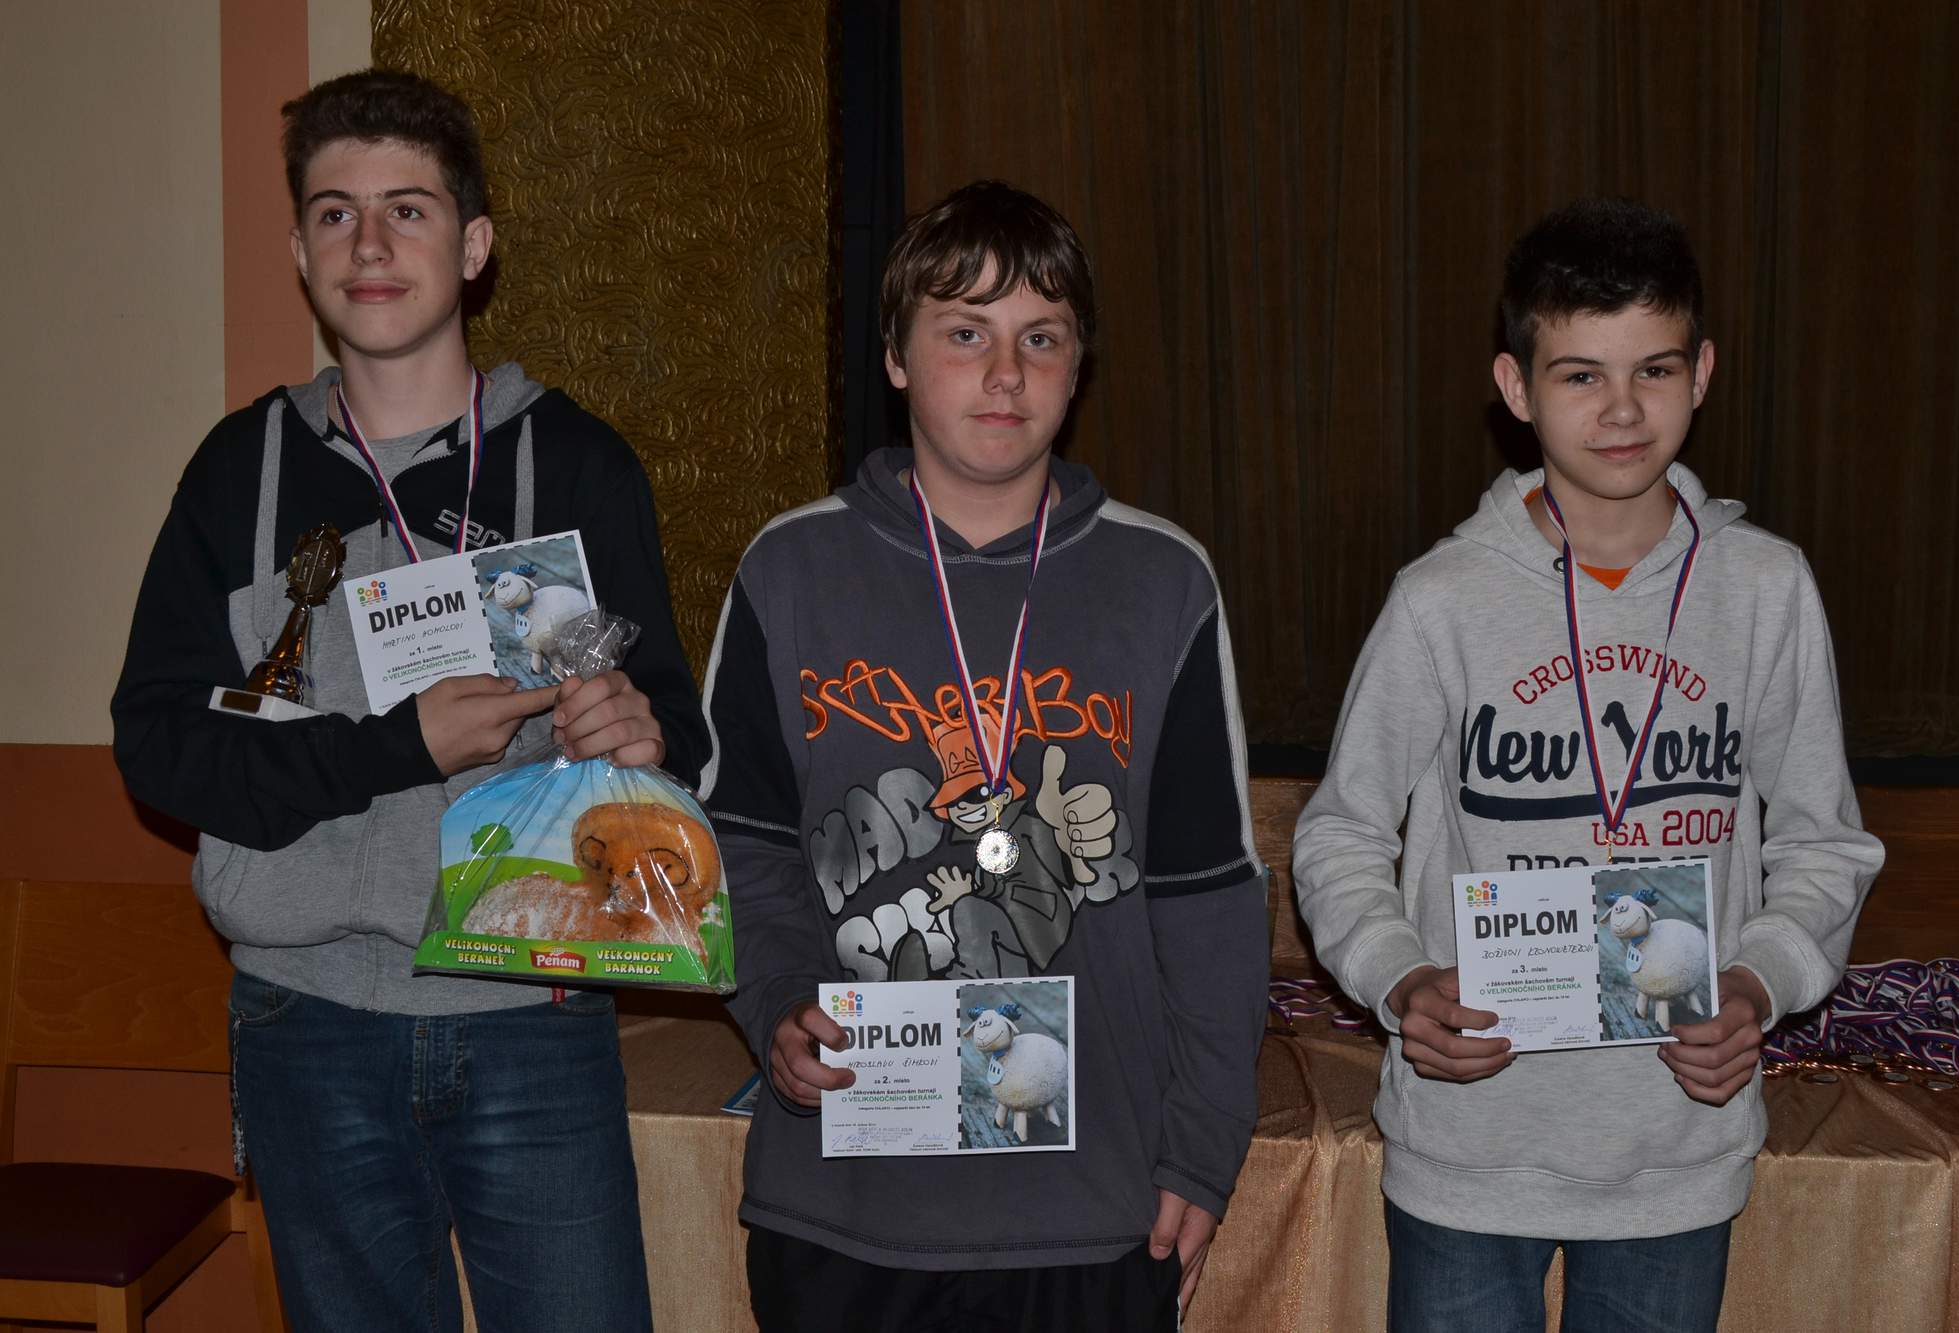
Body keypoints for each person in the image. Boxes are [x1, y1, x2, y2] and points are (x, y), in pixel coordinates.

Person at [111, 69, 705, 1332]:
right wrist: (395, 746)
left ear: (474, 246)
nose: (369, 244)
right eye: (335, 213)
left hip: (535, 1014)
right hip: (303, 1019)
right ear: (298, 252)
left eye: (408, 209)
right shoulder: (239, 471)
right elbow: (158, 747)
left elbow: (678, 729)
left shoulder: (577, 463)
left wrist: (644, 739)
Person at [1292, 197, 1884, 1331]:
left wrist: (1758, 982)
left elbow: (1823, 842)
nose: (1621, 409)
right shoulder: (1440, 599)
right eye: (1579, 375)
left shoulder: (1765, 590)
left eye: (1653, 369)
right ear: (1515, 389)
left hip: (1676, 1144)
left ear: (1701, 372)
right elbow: (1341, 834)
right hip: (1470, 1141)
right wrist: (1398, 979)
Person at [701, 180, 1268, 1330]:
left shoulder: (1162, 580)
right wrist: (775, 1003)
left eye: (1039, 339)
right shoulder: (789, 569)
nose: (1005, 374)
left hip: (1091, 1207)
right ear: (896, 357)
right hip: (844, 1200)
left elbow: (1208, 894)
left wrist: (1202, 1145)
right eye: (965, 334)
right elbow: (739, 853)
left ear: (1078, 365)